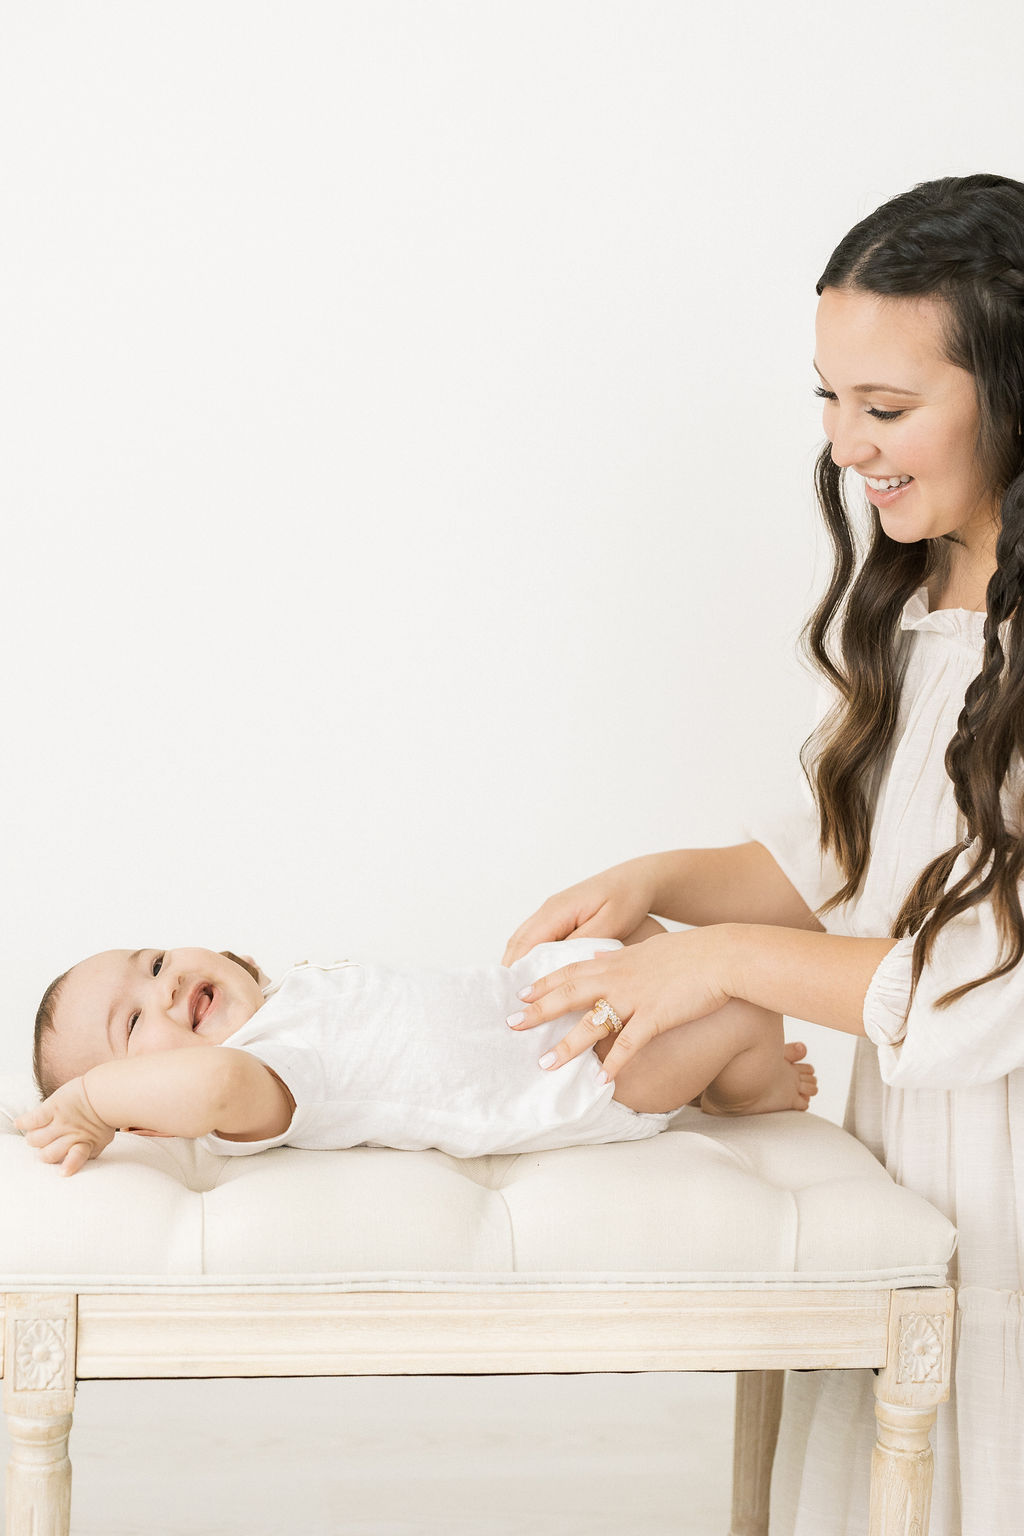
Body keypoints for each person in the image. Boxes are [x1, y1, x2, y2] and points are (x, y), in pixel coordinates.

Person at [501, 172, 1024, 1535]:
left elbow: (981, 985)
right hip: (915, 1157)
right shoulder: (911, 593)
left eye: (889, 408)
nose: (850, 445)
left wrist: (724, 965)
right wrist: (667, 887)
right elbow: (852, 861)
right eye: (832, 401)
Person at [18, 928, 817, 1173]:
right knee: (745, 1002)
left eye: (154, 963)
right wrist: (91, 1107)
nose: (161, 987)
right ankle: (742, 1094)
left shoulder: (287, 1000)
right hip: (578, 1076)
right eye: (132, 1025)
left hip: (548, 997)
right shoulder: (262, 1077)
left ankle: (718, 1072)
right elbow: (213, 1086)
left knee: (662, 939)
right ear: (151, 1108)